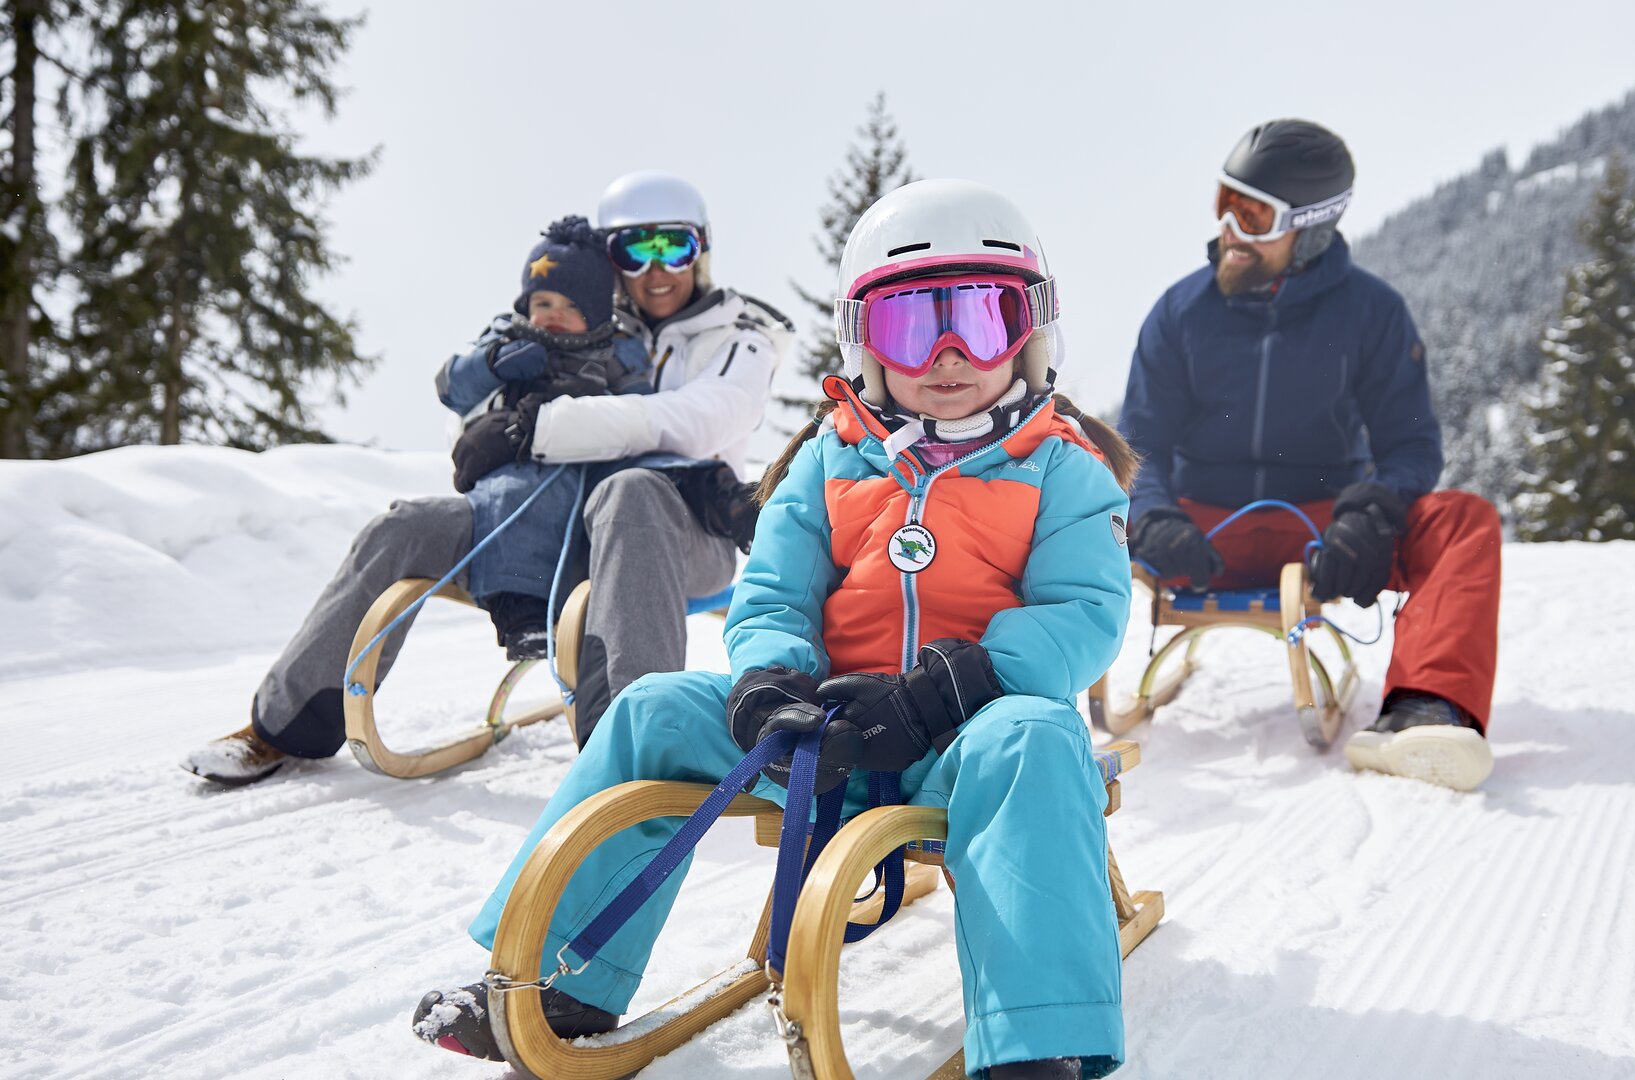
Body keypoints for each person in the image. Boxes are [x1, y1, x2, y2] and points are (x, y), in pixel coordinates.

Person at [411, 180, 1141, 1080]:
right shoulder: (830, 458)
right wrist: (769, 680)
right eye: (912, 327)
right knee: (650, 711)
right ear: (865, 342)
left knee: (1037, 737)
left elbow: (1084, 612)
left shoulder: (1063, 467)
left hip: (970, 738)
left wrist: (954, 686)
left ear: (1029, 333)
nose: (948, 355)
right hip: (825, 736)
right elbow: (773, 594)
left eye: (983, 322)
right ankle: (556, 981)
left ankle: (1037, 1040)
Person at [182, 171, 791, 785]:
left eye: (673, 247)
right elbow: (467, 420)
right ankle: (281, 727)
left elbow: (698, 423)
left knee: (630, 492)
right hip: (557, 528)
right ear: (609, 261)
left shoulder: (742, 338)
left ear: (701, 248)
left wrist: (542, 426)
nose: (655, 270)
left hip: (684, 532)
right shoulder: (576, 320)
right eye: (635, 250)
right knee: (408, 525)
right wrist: (494, 424)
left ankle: (632, 749)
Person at [1118, 119, 1502, 793]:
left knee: (1461, 521)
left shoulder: (1372, 313)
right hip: (1200, 530)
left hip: (1324, 533)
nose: (1230, 229)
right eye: (1225, 203)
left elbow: (1410, 444)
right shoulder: (1180, 313)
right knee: (1053, 502)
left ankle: (1426, 707)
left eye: (1253, 216)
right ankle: (1003, 702)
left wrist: (1372, 514)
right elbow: (1138, 445)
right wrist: (1152, 517)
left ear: (1313, 227)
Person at [451, 214, 625, 659]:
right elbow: (451, 388)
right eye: (543, 302)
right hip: (503, 465)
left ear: (597, 314)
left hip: (576, 469)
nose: (554, 316)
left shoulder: (609, 357)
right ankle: (521, 615)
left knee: (551, 500)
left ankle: (548, 616)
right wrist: (493, 364)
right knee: (513, 494)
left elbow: (638, 408)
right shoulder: (505, 337)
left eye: (572, 307)